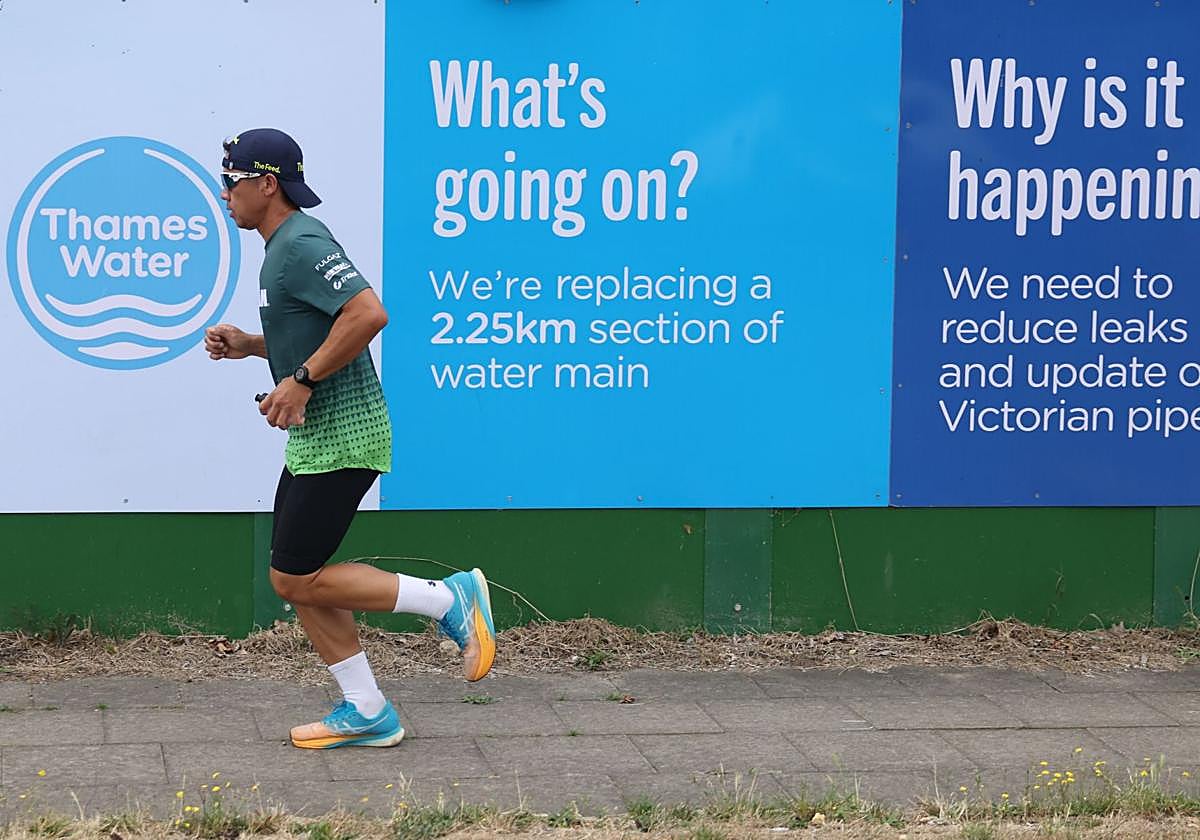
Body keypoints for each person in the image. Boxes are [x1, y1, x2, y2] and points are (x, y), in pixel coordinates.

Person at [204, 128, 495, 750]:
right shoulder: (280, 247)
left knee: (292, 578)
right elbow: (317, 329)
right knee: (297, 576)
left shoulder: (301, 241)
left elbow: (368, 314)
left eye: (230, 181)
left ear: (266, 183)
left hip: (345, 436)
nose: (223, 193)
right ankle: (366, 708)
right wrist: (252, 347)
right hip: (320, 441)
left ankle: (447, 599)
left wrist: (302, 381)